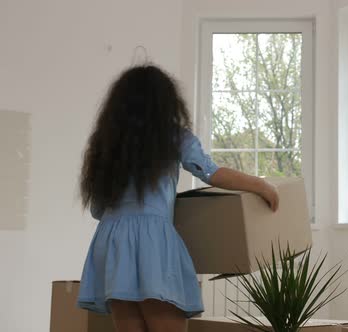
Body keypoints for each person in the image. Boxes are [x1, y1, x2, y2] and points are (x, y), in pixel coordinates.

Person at [77, 64, 279, 332]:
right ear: (166, 103)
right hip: (152, 241)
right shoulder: (172, 137)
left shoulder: (105, 144)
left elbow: (97, 209)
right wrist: (261, 186)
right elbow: (211, 172)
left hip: (111, 242)